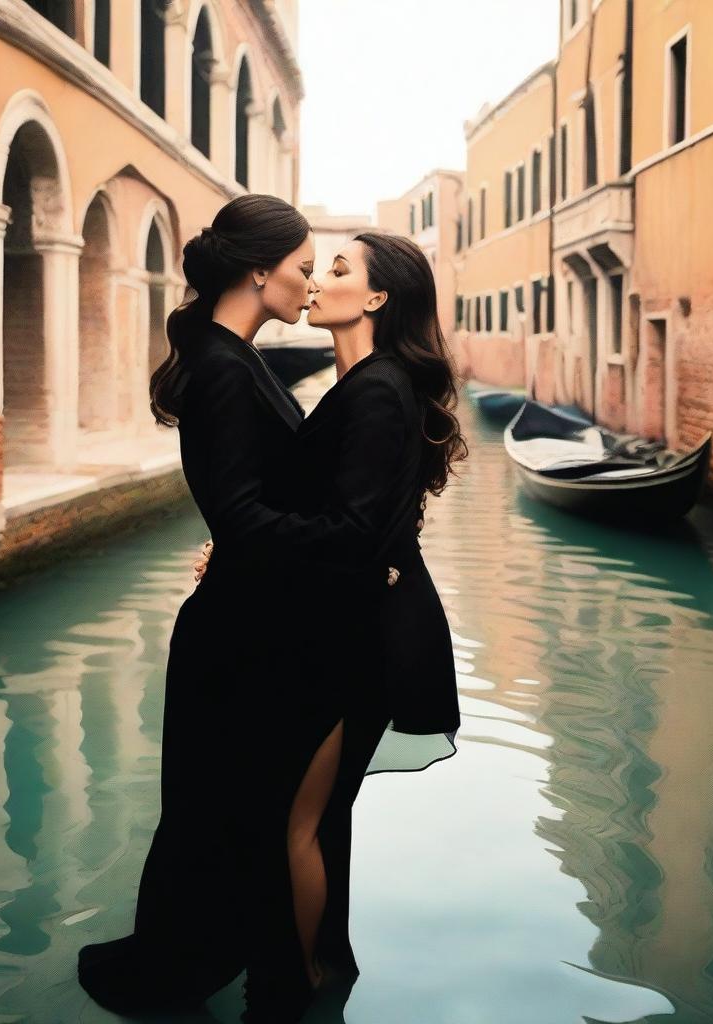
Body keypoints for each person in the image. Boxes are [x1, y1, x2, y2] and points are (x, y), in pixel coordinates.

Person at [77, 197, 466, 1024]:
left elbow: (350, 520)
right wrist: (241, 539)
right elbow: (281, 505)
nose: (313, 276)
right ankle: (300, 977)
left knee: (292, 822)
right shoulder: (313, 378)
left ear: (376, 299)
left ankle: (287, 991)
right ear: (260, 269)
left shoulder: (372, 389)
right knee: (293, 822)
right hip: (311, 627)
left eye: (335, 267)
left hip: (345, 630)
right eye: (308, 261)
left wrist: (263, 540)